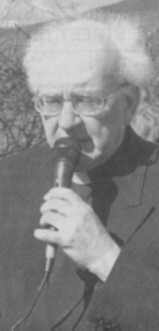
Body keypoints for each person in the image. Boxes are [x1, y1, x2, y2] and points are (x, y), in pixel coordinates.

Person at [0, 14, 159, 331]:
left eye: (86, 100)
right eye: (53, 101)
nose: (67, 121)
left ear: (128, 103)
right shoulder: (6, 179)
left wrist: (105, 257)